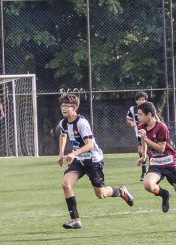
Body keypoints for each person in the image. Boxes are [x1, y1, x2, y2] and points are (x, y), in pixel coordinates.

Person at [56, 93, 134, 229]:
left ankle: (121, 191)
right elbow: (63, 135)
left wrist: (74, 153)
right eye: (62, 105)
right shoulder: (63, 123)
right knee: (66, 184)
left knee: (101, 194)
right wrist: (61, 153)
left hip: (93, 160)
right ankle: (75, 220)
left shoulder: (81, 123)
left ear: (74, 108)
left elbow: (90, 145)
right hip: (79, 160)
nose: (63, 108)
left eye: (67, 106)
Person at [136, 101, 176, 231]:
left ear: (149, 115)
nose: (138, 117)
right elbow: (144, 141)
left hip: (170, 163)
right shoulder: (141, 126)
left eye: (140, 114)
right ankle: (164, 194)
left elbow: (161, 148)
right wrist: (143, 156)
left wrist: (146, 139)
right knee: (148, 185)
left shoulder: (162, 127)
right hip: (156, 164)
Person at [125, 91, 149, 174]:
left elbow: (156, 118)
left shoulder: (149, 108)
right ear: (136, 101)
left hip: (150, 132)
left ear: (146, 101)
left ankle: (152, 170)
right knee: (140, 150)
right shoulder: (133, 109)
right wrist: (131, 122)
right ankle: (144, 172)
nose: (141, 101)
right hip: (140, 133)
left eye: (143, 99)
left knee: (150, 151)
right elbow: (128, 119)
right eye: (139, 99)